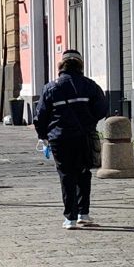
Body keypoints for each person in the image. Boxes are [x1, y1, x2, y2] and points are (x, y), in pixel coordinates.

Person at [34, 49, 108, 229]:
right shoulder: (90, 85)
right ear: (80, 65)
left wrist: (43, 136)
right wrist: (89, 121)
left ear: (61, 65)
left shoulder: (50, 87)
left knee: (66, 175)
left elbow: (40, 116)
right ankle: (84, 213)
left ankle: (70, 218)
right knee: (83, 172)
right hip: (84, 136)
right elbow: (102, 109)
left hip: (60, 138)